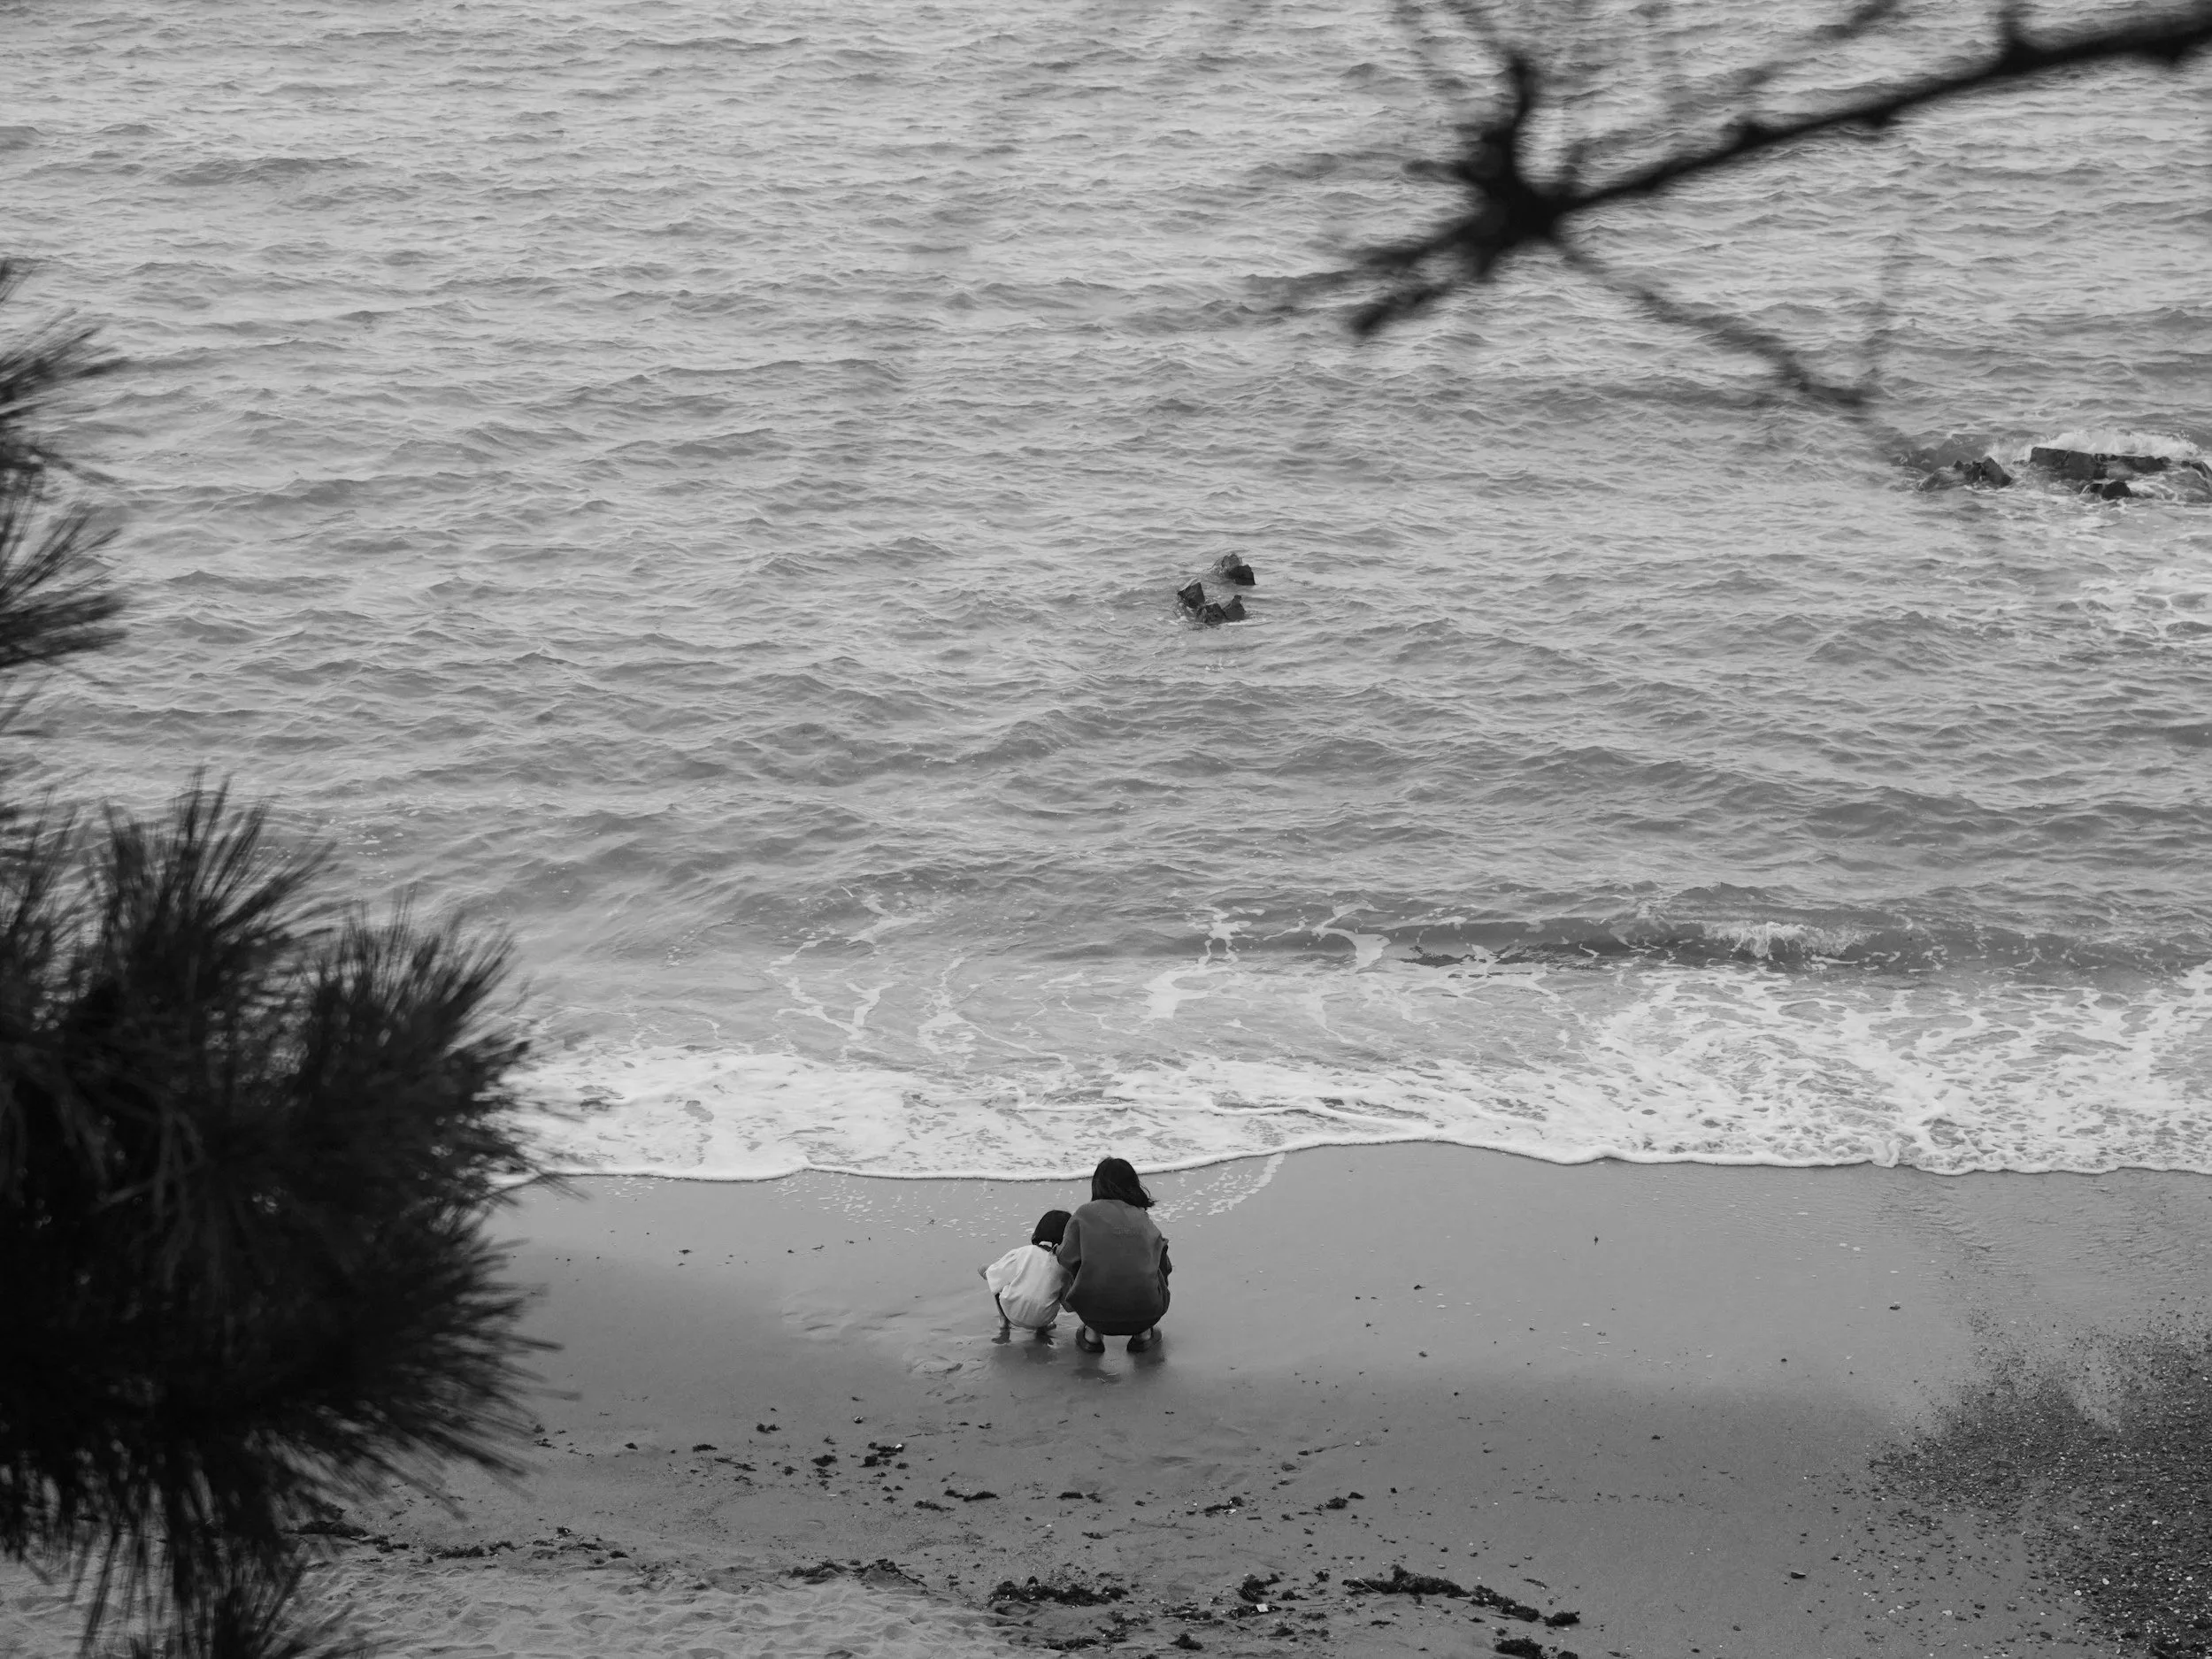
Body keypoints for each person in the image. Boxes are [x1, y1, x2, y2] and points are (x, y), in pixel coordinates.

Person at [1056, 1157, 1171, 1353]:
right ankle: (1143, 1334)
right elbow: (1165, 1266)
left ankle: (1092, 1335)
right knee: (1154, 1263)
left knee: (1079, 1264)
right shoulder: (1143, 1218)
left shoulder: (1084, 1214)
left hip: (1093, 1313)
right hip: (1147, 1312)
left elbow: (1065, 1258)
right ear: (1133, 1186)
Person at [980, 1210, 1072, 1334]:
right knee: (1049, 1289)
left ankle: (1003, 1320)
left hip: (1011, 1311)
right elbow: (1068, 1306)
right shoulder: (1064, 1267)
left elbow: (995, 1276)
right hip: (1043, 1318)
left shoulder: (1023, 1252)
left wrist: (984, 1270)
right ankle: (1042, 1328)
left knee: (994, 1273)